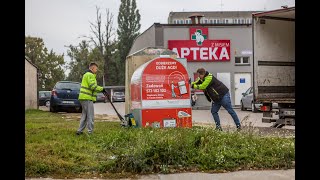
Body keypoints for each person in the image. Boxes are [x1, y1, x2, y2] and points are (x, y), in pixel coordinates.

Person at [76, 62, 106, 135]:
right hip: (87, 98)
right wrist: (102, 89)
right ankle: (90, 132)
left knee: (85, 115)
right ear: (92, 68)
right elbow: (92, 86)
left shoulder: (86, 75)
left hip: (83, 98)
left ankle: (79, 131)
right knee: (90, 116)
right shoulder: (90, 75)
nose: (97, 70)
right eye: (96, 69)